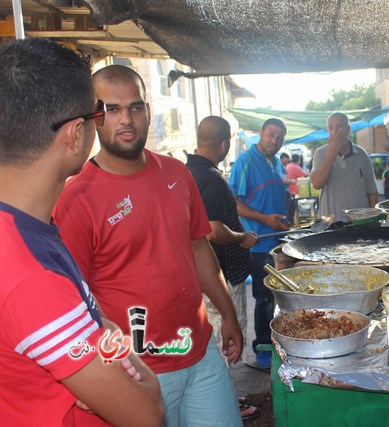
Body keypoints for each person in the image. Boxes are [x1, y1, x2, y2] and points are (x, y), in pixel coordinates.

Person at [54, 65, 243, 426]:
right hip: (138, 371)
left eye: (136, 107)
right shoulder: (76, 199)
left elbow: (199, 250)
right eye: (112, 109)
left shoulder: (177, 173)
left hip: (200, 354)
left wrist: (229, 314)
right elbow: (73, 301)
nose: (126, 119)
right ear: (94, 117)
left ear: (148, 111)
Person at [0, 39, 162, 426]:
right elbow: (146, 409)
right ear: (75, 135)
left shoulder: (28, 228)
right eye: (99, 114)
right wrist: (111, 340)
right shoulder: (31, 277)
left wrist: (99, 337)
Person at [185, 116, 260, 421]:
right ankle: (226, 403)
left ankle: (225, 396)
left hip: (202, 275)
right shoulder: (212, 179)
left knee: (216, 340)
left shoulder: (189, 171)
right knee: (225, 339)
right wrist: (242, 237)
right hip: (220, 275)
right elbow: (213, 230)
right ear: (224, 144)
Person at [229, 118, 289, 370]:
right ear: (261, 133)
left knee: (280, 297)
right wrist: (265, 219)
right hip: (258, 242)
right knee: (263, 298)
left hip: (278, 241)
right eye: (271, 134)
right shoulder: (245, 161)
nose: (274, 141)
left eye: (279, 138)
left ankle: (277, 342)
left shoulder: (276, 163)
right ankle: (262, 347)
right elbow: (234, 202)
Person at [310, 112, 378, 222]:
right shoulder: (321, 153)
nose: (334, 131)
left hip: (359, 221)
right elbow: (316, 184)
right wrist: (332, 152)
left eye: (339, 126)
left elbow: (372, 192)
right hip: (330, 223)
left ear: (348, 129)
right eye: (330, 127)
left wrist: (374, 220)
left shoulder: (361, 154)